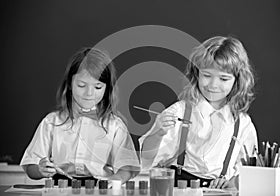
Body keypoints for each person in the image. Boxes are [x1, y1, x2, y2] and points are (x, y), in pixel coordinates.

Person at [140, 36, 258, 189]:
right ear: (196, 74)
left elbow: (250, 171)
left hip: (219, 192)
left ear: (238, 81)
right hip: (179, 189)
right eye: (207, 75)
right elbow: (146, 159)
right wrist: (158, 133)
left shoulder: (242, 123)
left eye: (223, 79)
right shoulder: (180, 111)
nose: (213, 85)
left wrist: (232, 183)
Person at [20, 47, 140, 185]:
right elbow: (30, 167)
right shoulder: (51, 122)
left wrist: (116, 180)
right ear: (70, 84)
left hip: (100, 188)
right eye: (82, 85)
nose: (89, 93)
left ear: (107, 89)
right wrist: (40, 170)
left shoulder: (114, 125)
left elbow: (127, 167)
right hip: (60, 188)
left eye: (98, 87)